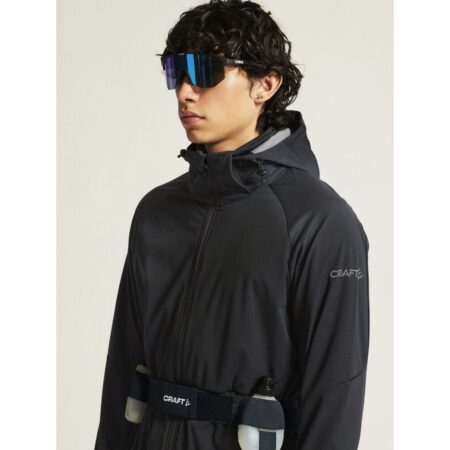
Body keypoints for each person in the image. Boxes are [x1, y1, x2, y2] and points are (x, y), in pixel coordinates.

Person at [94, 1, 370, 449]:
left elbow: (334, 401)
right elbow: (122, 371)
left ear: (265, 84)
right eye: (176, 73)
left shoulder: (321, 223)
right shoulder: (156, 213)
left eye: (205, 71)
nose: (185, 92)